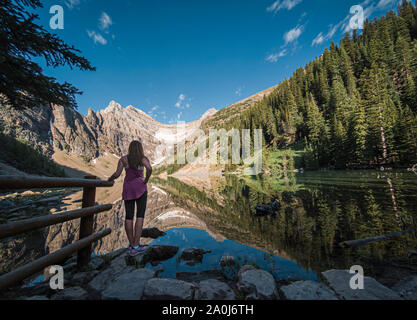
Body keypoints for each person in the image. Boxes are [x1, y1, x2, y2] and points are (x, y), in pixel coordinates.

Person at [108, 140, 153, 257]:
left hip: (128, 188)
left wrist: (110, 179)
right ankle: (136, 245)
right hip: (141, 188)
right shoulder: (143, 159)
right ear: (140, 148)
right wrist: (146, 180)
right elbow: (149, 169)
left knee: (129, 216)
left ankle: (131, 245)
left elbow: (117, 174)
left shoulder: (124, 159)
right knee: (140, 215)